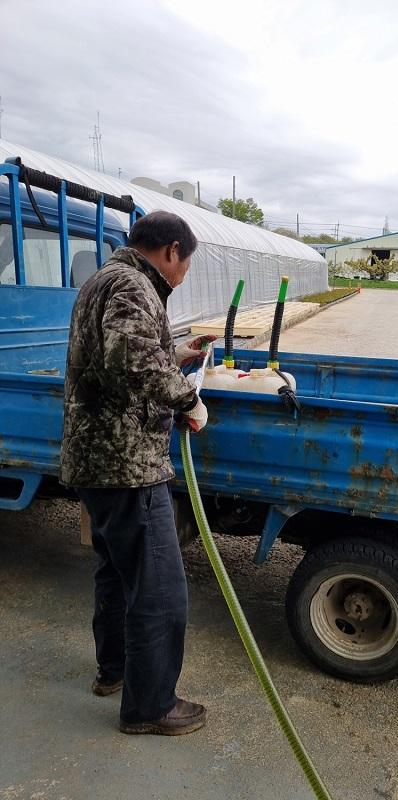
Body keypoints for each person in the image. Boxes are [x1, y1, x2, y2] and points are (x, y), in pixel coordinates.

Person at [60, 210, 212, 736]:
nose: (184, 273)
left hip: (94, 461)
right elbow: (129, 358)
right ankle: (150, 707)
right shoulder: (133, 284)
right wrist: (188, 399)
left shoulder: (104, 278)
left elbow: (118, 351)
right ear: (171, 251)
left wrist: (177, 352)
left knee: (116, 572)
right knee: (159, 589)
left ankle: (114, 671)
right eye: (186, 263)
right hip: (127, 464)